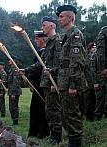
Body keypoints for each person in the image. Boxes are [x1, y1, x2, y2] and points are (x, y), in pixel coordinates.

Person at [56, 5, 87, 147]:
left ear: (70, 18)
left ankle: (75, 143)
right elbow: (64, 62)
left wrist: (73, 85)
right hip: (64, 82)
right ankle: (72, 141)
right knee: (65, 114)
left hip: (71, 83)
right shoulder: (66, 36)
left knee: (72, 115)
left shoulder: (75, 34)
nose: (59, 19)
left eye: (61, 16)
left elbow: (76, 61)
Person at [40, 16, 62, 144]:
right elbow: (42, 63)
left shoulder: (58, 41)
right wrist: (26, 70)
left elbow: (60, 63)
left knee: (54, 110)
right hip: (47, 82)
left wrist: (56, 81)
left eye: (44, 25)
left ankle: (57, 136)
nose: (42, 28)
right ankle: (53, 134)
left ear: (52, 26)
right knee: (49, 110)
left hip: (53, 82)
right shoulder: (48, 42)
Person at [24, 30, 49, 138]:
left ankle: (42, 132)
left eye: (37, 38)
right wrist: (29, 80)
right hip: (37, 84)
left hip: (43, 84)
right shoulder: (39, 52)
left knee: (41, 109)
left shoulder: (46, 51)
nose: (35, 41)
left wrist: (27, 71)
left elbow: (39, 67)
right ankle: (34, 132)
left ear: (44, 39)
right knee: (34, 109)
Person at [94, 26, 107, 119]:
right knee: (101, 95)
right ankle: (98, 115)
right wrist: (103, 68)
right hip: (104, 69)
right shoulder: (104, 31)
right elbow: (101, 52)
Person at [7, 60, 22, 125]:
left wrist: (13, 93)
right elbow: (10, 81)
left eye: (10, 60)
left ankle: (15, 121)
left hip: (14, 91)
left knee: (14, 106)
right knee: (11, 106)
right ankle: (13, 119)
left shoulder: (15, 69)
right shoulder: (11, 69)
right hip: (11, 91)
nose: (8, 61)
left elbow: (15, 82)